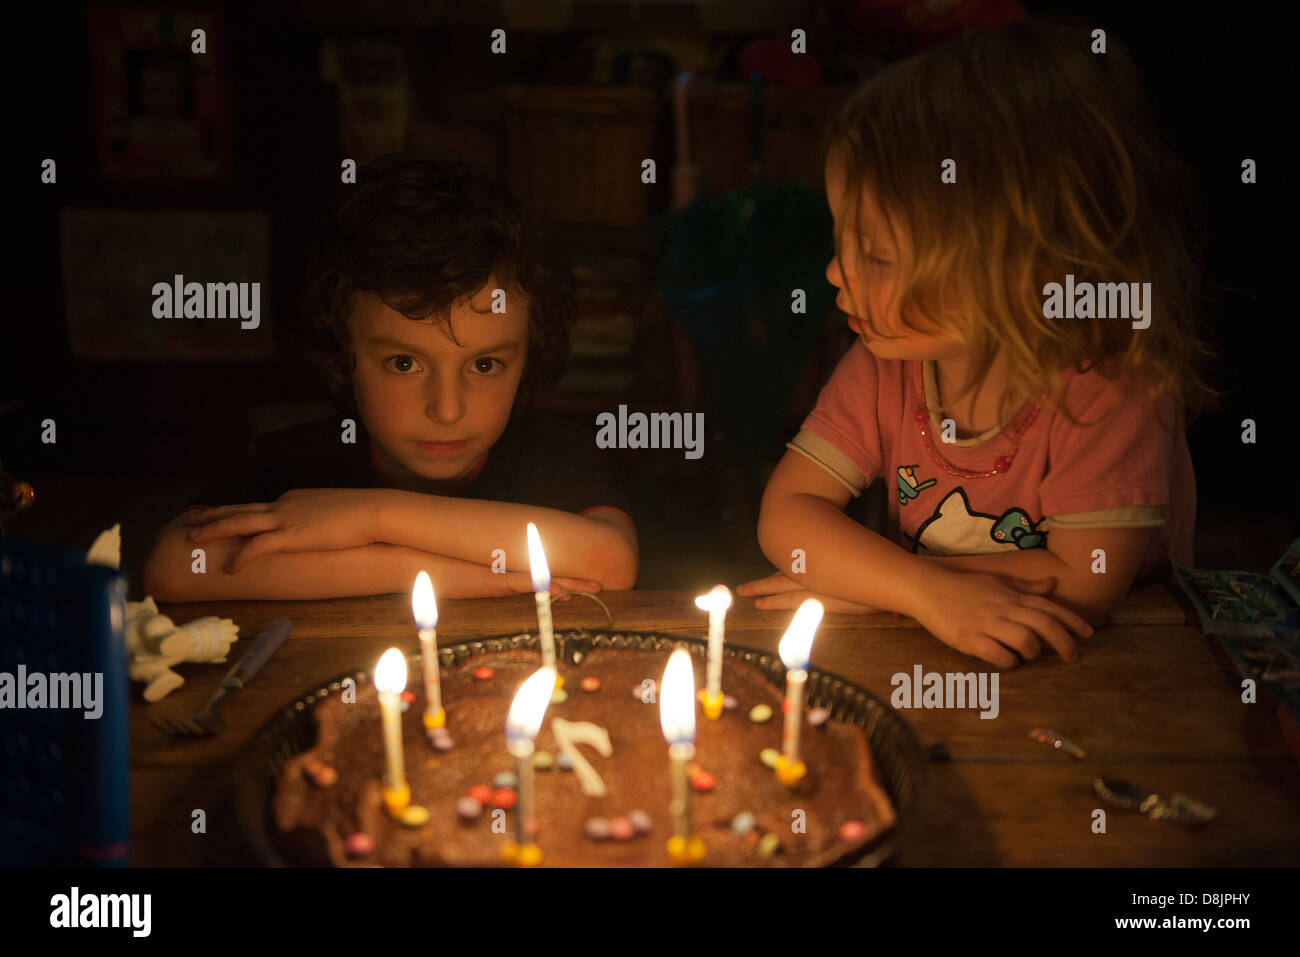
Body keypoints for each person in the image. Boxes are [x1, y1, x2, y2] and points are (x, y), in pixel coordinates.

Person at [738, 16, 1215, 667]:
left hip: (1112, 666)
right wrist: (916, 593)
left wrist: (873, 586)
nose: (833, 273)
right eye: (842, 241)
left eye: (875, 256)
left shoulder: (1109, 382)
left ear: (1023, 269)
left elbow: (1087, 583)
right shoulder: (886, 363)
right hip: (938, 646)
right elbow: (788, 514)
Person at [142, 154, 637, 601]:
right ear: (342, 353)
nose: (446, 409)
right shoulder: (299, 463)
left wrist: (367, 517)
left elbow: (610, 563)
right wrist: (453, 577)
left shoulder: (553, 456)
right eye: (404, 363)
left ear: (528, 356)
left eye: (485, 365)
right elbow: (173, 567)